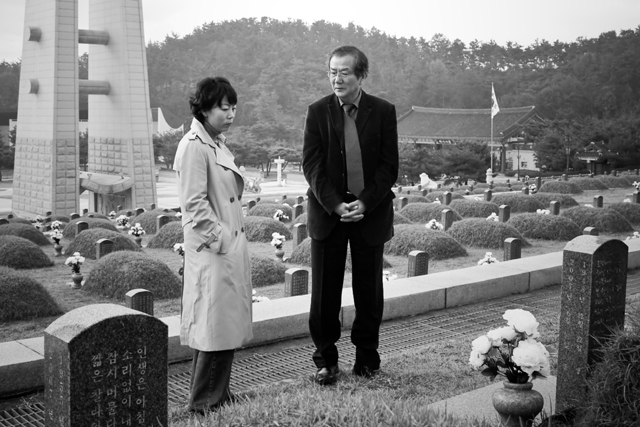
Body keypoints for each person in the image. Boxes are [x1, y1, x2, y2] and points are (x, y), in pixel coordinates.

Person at [302, 46, 399, 385]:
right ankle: (325, 360)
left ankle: (367, 358)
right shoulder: (317, 111)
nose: (337, 78)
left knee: (368, 292)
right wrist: (334, 203)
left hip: (369, 213)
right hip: (328, 213)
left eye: (344, 72)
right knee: (324, 294)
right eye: (332, 72)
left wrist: (365, 202)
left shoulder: (383, 111)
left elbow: (388, 166)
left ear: (361, 75)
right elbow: (311, 164)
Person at [173, 77, 253, 413]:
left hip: (225, 247)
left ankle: (218, 393)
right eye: (224, 107)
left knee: (222, 324)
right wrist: (220, 239)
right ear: (205, 109)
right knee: (213, 325)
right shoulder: (194, 145)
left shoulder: (214, 142)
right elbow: (193, 203)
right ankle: (205, 402)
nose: (231, 113)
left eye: (233, 107)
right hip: (214, 249)